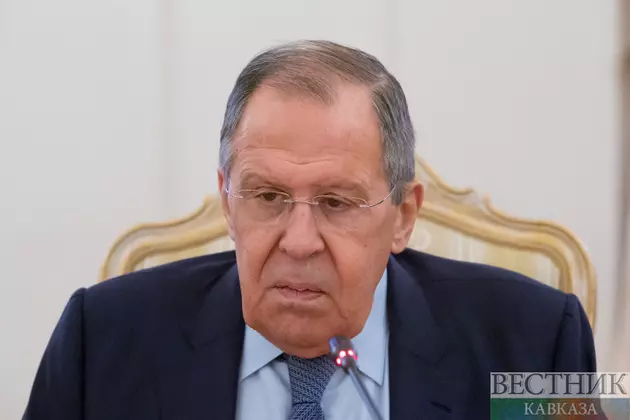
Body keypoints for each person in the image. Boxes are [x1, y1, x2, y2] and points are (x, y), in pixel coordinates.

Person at [23, 40, 596, 420]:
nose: (298, 242)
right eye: (267, 197)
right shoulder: (99, 338)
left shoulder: (539, 341)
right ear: (227, 201)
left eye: (337, 202)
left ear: (403, 216)